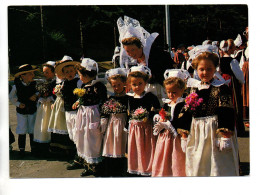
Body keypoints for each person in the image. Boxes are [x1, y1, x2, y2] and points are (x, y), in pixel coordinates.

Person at [177, 46, 240, 176]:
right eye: (201, 69)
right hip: (197, 132)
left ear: (215, 69)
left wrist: (225, 135)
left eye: (209, 69)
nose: (205, 72)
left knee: (217, 165)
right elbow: (187, 110)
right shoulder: (194, 88)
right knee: (199, 164)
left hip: (214, 131)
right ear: (196, 69)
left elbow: (226, 110)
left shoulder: (221, 88)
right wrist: (184, 134)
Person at [117, 16, 173, 104]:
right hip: (143, 93)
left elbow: (166, 73)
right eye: (128, 51)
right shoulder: (131, 63)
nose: (131, 53)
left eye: (133, 49)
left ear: (140, 46)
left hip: (160, 90)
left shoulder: (156, 55)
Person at [72, 58, 107, 177]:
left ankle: (96, 166)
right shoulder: (83, 84)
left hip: (93, 114)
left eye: (81, 75)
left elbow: (103, 101)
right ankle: (87, 164)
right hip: (83, 114)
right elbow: (83, 97)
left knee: (93, 139)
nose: (80, 77)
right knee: (83, 137)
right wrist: (78, 102)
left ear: (88, 74)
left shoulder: (98, 86)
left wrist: (103, 116)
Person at [152, 70, 188, 177]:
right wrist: (159, 117)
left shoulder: (182, 104)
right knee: (164, 155)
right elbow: (163, 113)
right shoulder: (167, 103)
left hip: (176, 136)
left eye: (174, 92)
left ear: (182, 90)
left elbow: (182, 120)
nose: (171, 95)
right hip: (165, 136)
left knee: (176, 157)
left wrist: (169, 124)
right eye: (168, 92)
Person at [126, 65, 160, 176]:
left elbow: (156, 110)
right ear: (130, 85)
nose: (137, 87)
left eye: (140, 83)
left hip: (147, 128)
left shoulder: (150, 97)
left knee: (147, 149)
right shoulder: (130, 97)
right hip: (135, 128)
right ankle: (137, 167)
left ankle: (148, 168)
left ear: (145, 83)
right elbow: (129, 113)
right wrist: (127, 125)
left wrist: (151, 116)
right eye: (134, 84)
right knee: (136, 148)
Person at [101, 68, 128, 176]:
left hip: (122, 123)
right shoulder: (111, 98)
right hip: (112, 125)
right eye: (114, 86)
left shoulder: (127, 98)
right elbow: (105, 112)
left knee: (121, 144)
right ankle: (112, 167)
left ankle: (122, 167)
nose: (116, 88)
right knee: (112, 144)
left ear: (124, 84)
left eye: (118, 85)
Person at [9, 64, 39, 157]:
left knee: (32, 129)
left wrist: (36, 95)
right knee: (22, 128)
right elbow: (11, 97)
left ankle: (33, 149)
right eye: (30, 74)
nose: (33, 76)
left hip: (32, 110)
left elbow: (39, 91)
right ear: (23, 76)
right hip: (21, 111)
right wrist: (18, 104)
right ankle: (21, 149)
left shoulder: (34, 84)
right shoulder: (16, 86)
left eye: (32, 73)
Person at [48, 55, 75, 158]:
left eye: (70, 71)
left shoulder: (76, 81)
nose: (68, 74)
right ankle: (60, 150)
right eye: (66, 72)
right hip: (61, 105)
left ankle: (70, 149)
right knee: (60, 124)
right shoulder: (63, 82)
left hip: (70, 107)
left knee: (67, 127)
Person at [219, 39, 245, 137]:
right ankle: (237, 128)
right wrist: (242, 82)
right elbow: (238, 74)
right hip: (231, 82)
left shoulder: (220, 60)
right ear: (230, 49)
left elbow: (218, 71)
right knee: (235, 103)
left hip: (222, 81)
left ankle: (227, 126)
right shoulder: (232, 61)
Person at [33, 61, 56, 156]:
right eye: (44, 72)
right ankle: (42, 147)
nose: (45, 74)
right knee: (42, 125)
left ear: (53, 72)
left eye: (47, 72)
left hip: (51, 106)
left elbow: (56, 95)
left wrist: (50, 98)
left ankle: (51, 147)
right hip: (43, 106)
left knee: (49, 124)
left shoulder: (55, 82)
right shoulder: (45, 82)